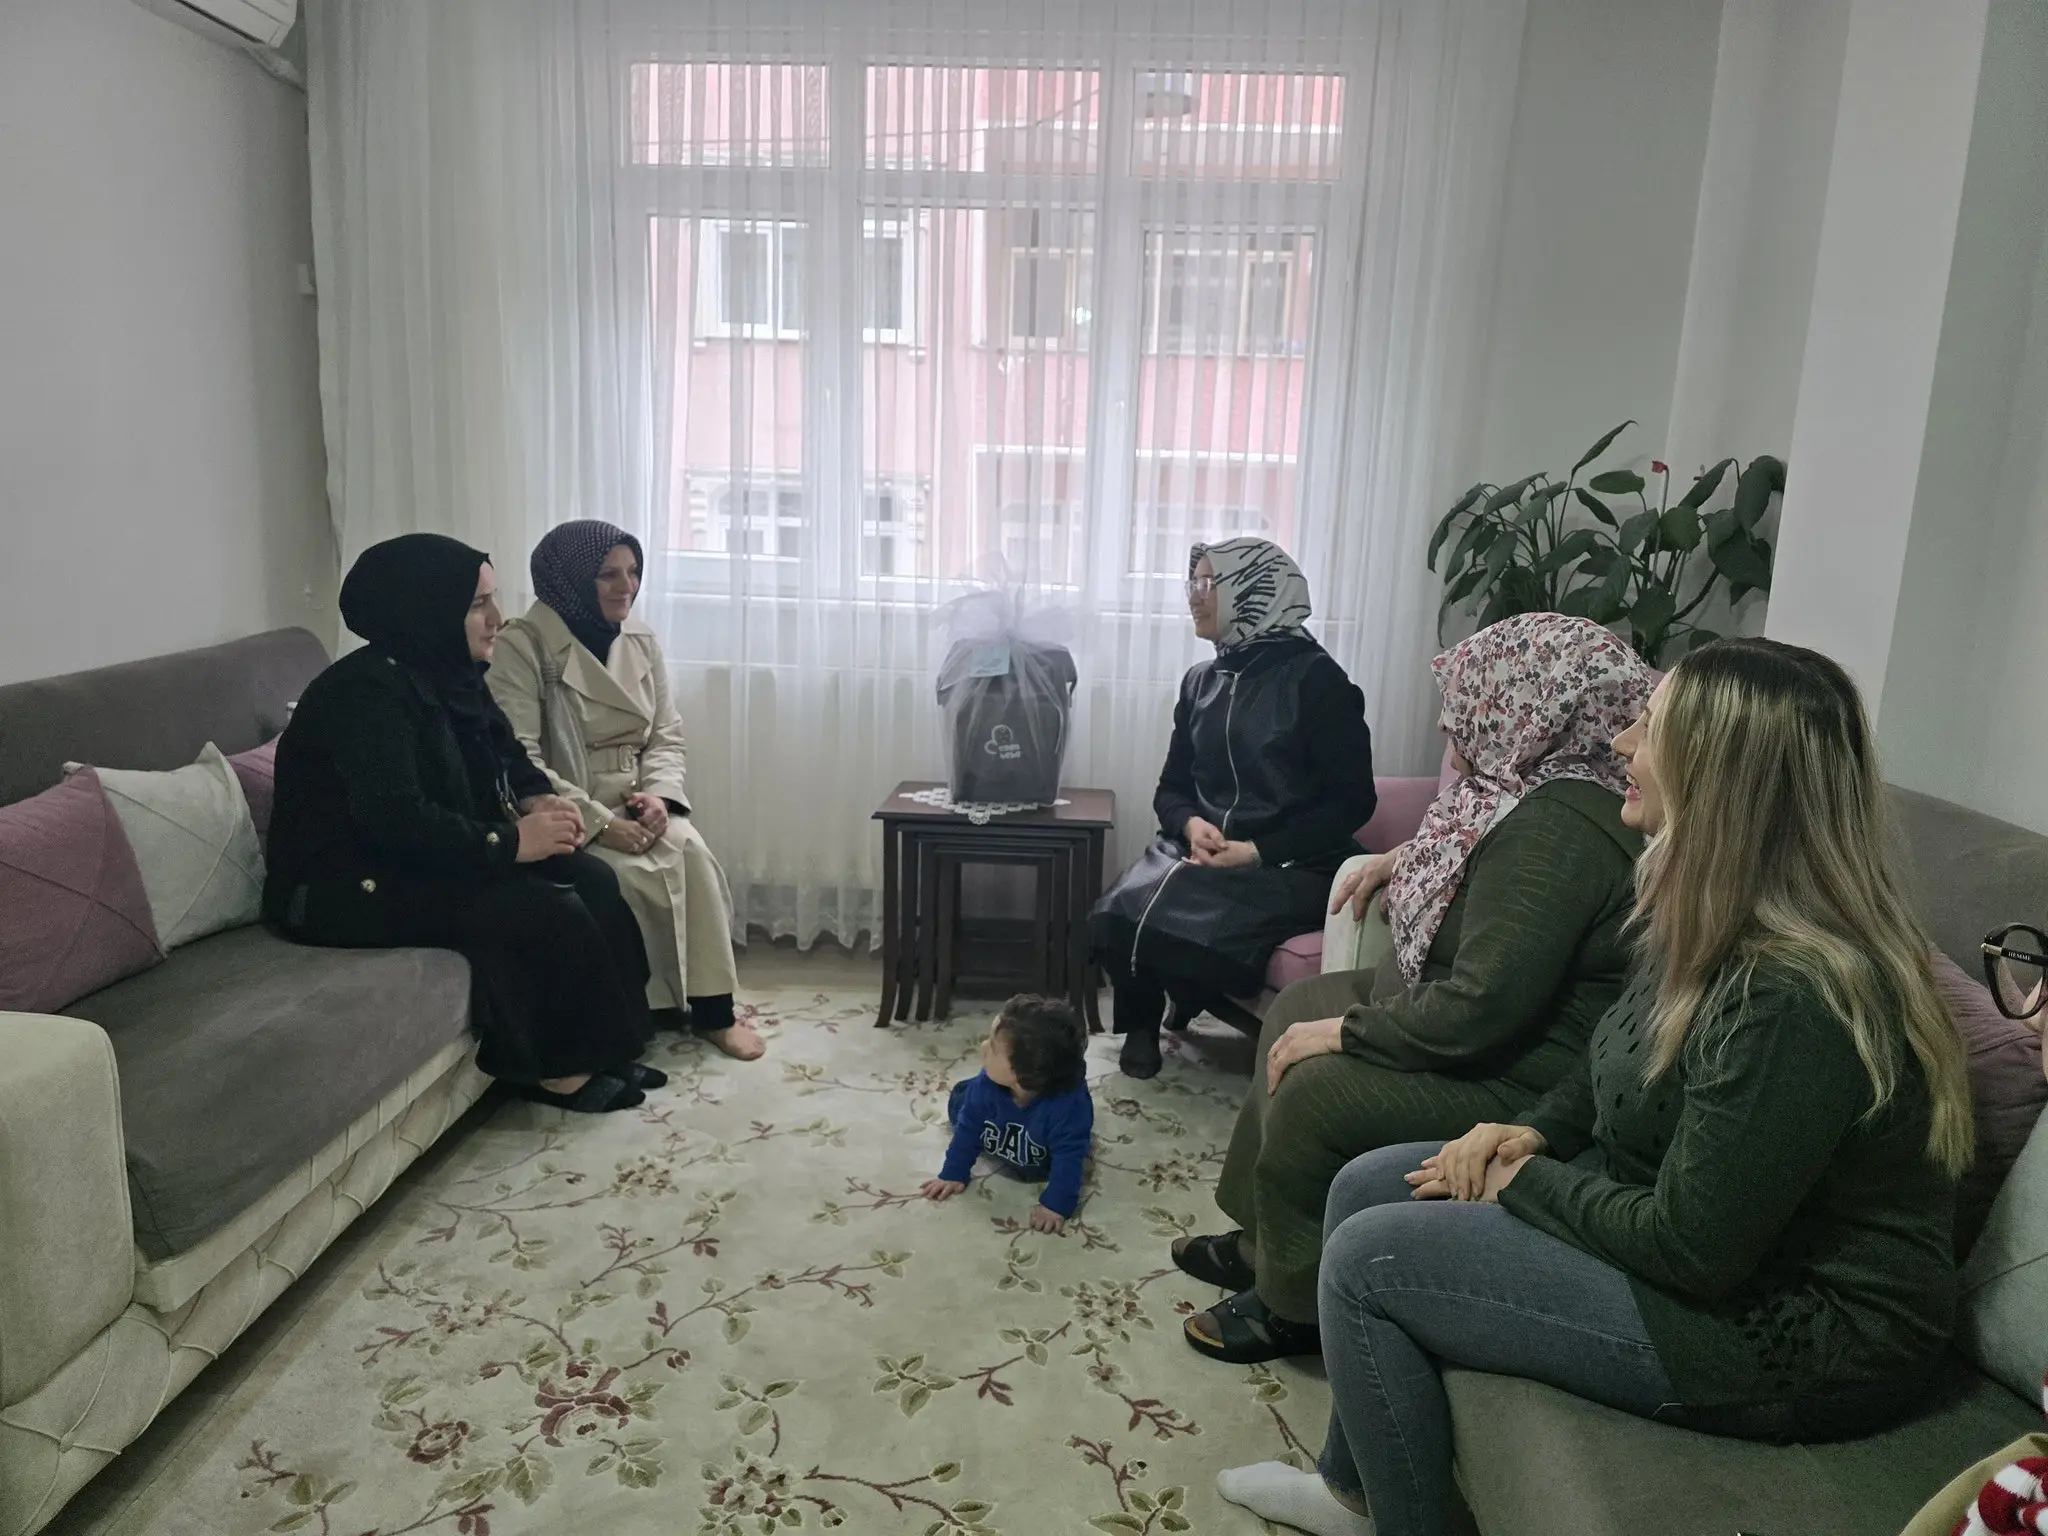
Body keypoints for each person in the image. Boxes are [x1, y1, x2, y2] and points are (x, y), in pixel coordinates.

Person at [1217, 637, 1974, 1536]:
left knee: (1367, 1263)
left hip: (1795, 1333)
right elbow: (1608, 1057)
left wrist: (1521, 1180)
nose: (1619, 743)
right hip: (1694, 1232)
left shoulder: (1792, 995)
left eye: (1648, 728)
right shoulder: (1701, 902)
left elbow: (1693, 1250)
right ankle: (1355, 1494)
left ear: (1717, 775)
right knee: (1364, 1186)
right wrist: (1531, 1132)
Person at [1175, 613, 1651, 1364]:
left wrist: (1349, 1035)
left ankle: (1291, 1305)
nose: (1446, 721)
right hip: (1469, 1025)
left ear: (1528, 709)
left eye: (1470, 700)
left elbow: (1481, 1008)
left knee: (1314, 1087)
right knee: (1299, 1005)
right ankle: (1263, 1240)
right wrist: (1402, 858)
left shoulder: (1560, 828)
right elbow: (1468, 851)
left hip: (1515, 1070)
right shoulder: (1529, 788)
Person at [264, 533, 660, 1113]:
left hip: (414, 861)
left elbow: (506, 752)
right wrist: (510, 843)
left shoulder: (450, 672)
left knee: (593, 878)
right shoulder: (363, 697)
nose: (498, 619)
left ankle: (612, 1047)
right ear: (428, 608)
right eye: (478, 604)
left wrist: (536, 802)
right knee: (542, 907)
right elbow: (396, 822)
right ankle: (558, 1071)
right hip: (344, 888)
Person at [1091, 537, 1376, 1081]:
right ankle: (1143, 1023)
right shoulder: (1200, 681)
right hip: (1204, 849)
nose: (1194, 596)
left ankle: (1190, 989)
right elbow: (1170, 789)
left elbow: (1354, 801)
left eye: (1208, 583)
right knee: (1120, 904)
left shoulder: (1318, 682)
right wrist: (1191, 822)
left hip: (1293, 861)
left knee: (1188, 915)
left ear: (1255, 590)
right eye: (1192, 582)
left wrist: (1257, 850)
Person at [488, 519, 763, 1061]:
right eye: (608, 574)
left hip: (639, 798)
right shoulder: (522, 646)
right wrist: (599, 824)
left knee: (692, 856)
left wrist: (660, 797)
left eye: (633, 571)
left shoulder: (640, 637)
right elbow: (519, 757)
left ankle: (715, 1012)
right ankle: (641, 1012)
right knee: (627, 878)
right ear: (570, 579)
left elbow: (666, 733)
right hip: (566, 805)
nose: (627, 586)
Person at [922, 995, 1094, 1234]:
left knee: (1074, 1140)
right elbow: (968, 1127)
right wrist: (953, 1173)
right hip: (988, 1108)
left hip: (1036, 1142)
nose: (983, 1046)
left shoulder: (1069, 1109)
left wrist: (1056, 1205)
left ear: (1023, 1074)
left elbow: (1069, 1157)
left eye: (993, 1048)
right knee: (961, 1102)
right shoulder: (985, 1085)